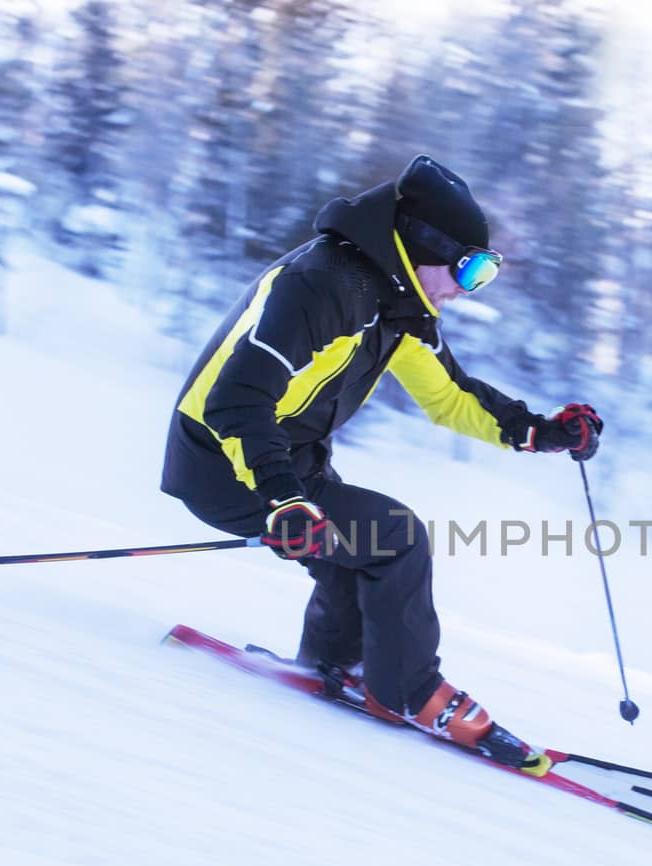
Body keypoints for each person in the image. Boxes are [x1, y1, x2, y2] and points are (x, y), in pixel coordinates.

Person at [161, 155, 603, 767]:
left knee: (354, 554)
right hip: (224, 459)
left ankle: (338, 665)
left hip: (286, 462)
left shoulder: (397, 305)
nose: (467, 288)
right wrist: (283, 498)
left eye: (485, 274)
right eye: (469, 269)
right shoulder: (326, 285)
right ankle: (410, 691)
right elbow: (236, 399)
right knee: (395, 538)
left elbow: (450, 397)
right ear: (421, 247)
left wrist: (540, 432)